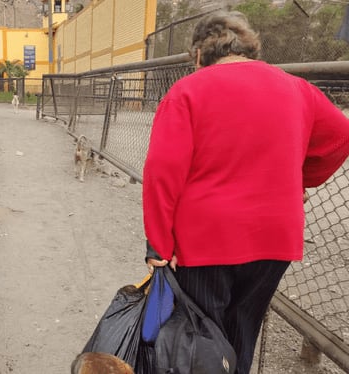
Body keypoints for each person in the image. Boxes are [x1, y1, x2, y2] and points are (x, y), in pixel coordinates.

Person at [142, 11, 349, 374]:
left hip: (206, 239)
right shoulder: (297, 87)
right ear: (249, 48)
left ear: (198, 54)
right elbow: (340, 137)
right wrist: (300, 179)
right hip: (274, 236)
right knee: (243, 328)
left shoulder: (189, 90)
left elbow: (162, 170)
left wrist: (159, 244)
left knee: (201, 331)